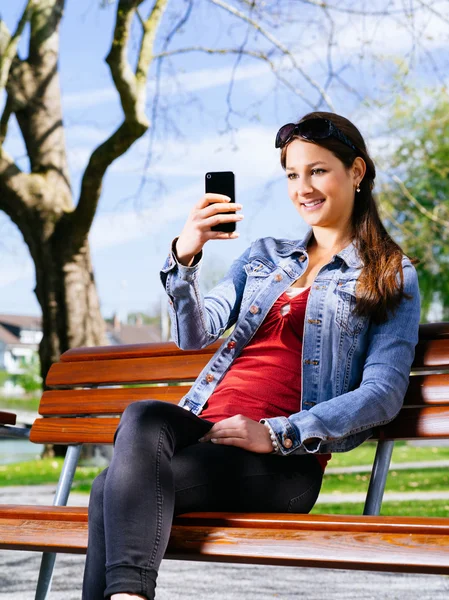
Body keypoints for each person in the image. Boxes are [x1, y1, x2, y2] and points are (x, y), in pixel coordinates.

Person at [82, 111, 421, 600]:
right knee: (142, 415)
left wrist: (277, 432)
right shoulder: (265, 256)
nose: (302, 187)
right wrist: (186, 255)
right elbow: (195, 335)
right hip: (205, 432)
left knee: (105, 492)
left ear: (357, 172)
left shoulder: (389, 273)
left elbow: (383, 393)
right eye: (292, 175)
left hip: (283, 465)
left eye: (318, 170)